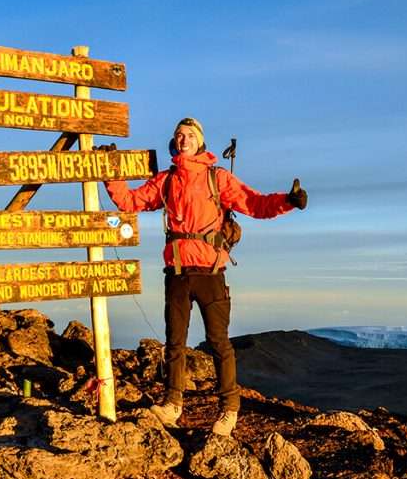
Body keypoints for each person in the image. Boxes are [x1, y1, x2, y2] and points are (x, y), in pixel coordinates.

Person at [102, 117, 307, 436]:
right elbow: (131, 201)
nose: (183, 139)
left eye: (190, 135)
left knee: (219, 343)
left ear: (200, 141)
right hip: (178, 273)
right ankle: (172, 404)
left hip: (210, 272)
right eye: (179, 135)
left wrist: (288, 202)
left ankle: (229, 409)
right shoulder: (167, 181)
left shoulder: (217, 178)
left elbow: (254, 203)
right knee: (174, 342)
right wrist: (111, 174)